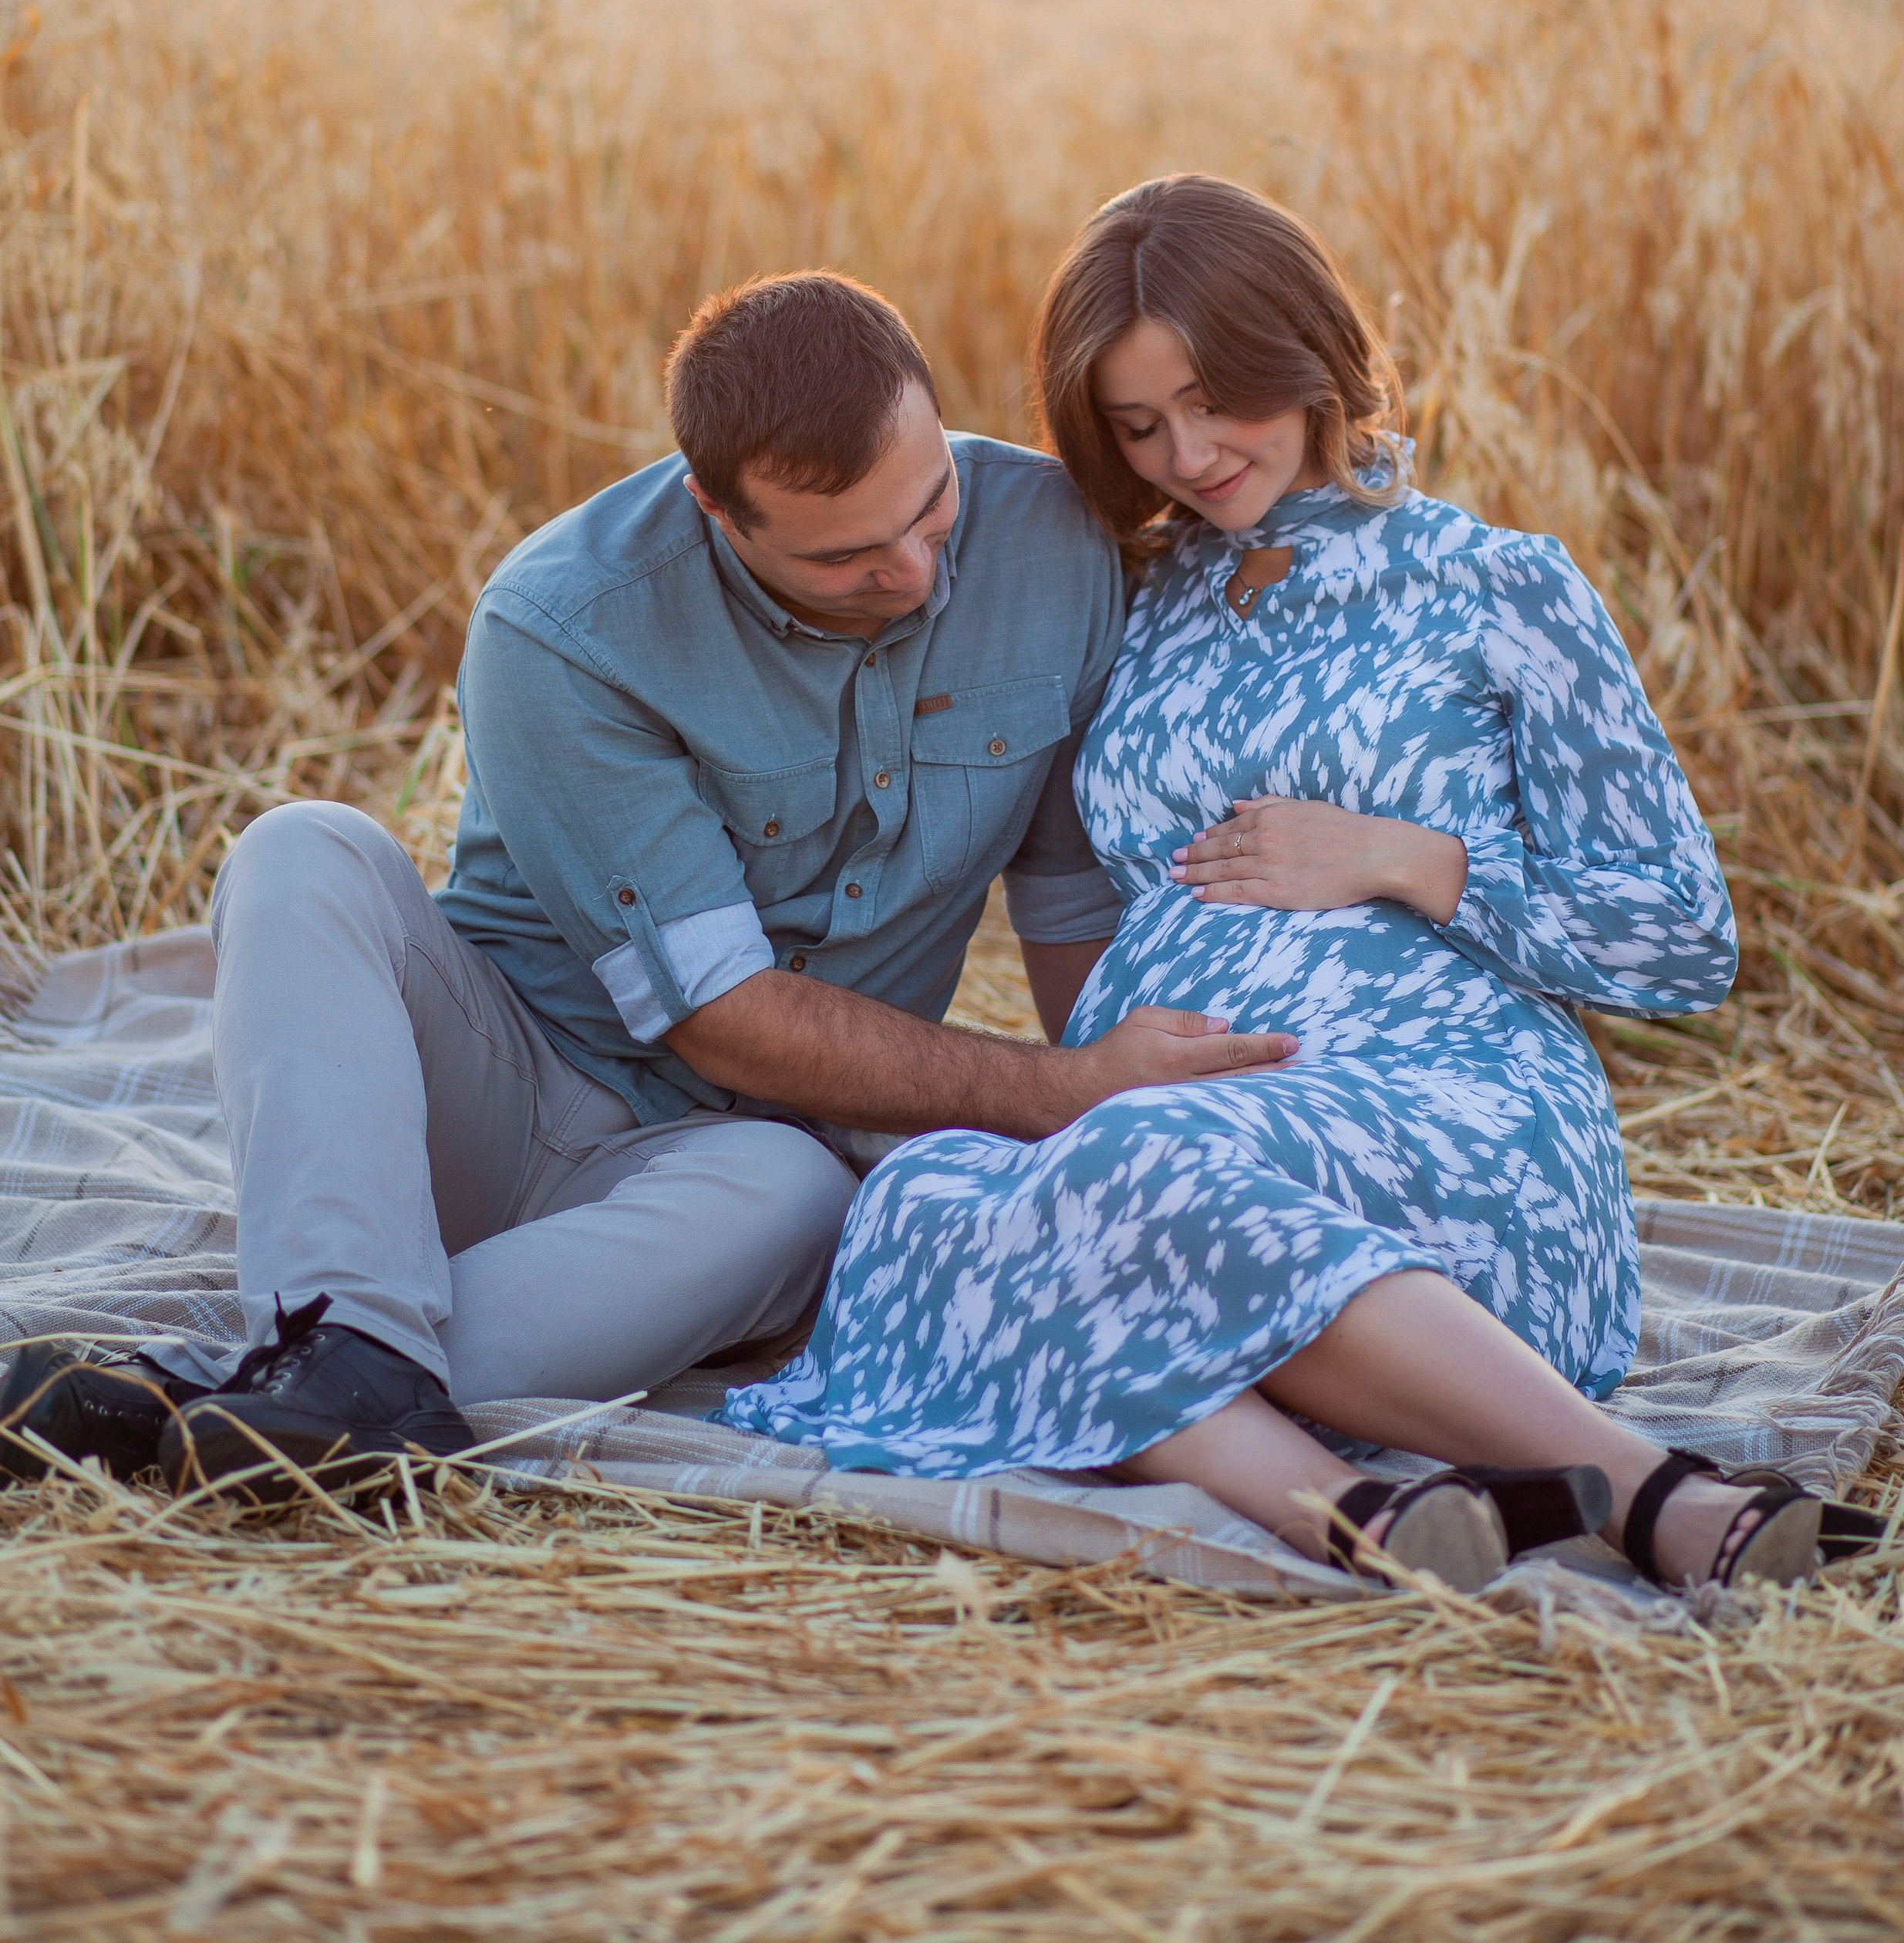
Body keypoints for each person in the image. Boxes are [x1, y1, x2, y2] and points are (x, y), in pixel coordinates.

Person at [723, 178, 1878, 1594]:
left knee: (1123, 1170)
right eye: (1138, 427)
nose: (1190, 455)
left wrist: (1401, 857)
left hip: (1449, 1118)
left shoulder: (1495, 588)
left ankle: (1657, 1495)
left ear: (1309, 351)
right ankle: (1357, 1513)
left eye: (1216, 402)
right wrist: (1099, 1069)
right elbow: (1081, 898)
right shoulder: (1137, 601)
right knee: (923, 1193)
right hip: (1186, 1137)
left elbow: (1681, 939)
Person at [2, 271, 1296, 1499]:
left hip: (734, 1173)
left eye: (929, 508)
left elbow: (1065, 902)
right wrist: (1054, 1088)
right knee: (302, 847)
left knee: (798, 1196)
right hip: (492, 1101)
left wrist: (1112, 1114)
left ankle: (276, 1392)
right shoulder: (563, 627)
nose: (913, 573)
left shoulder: (1055, 544)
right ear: (716, 511)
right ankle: (341, 1327)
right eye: (845, 557)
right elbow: (720, 1017)